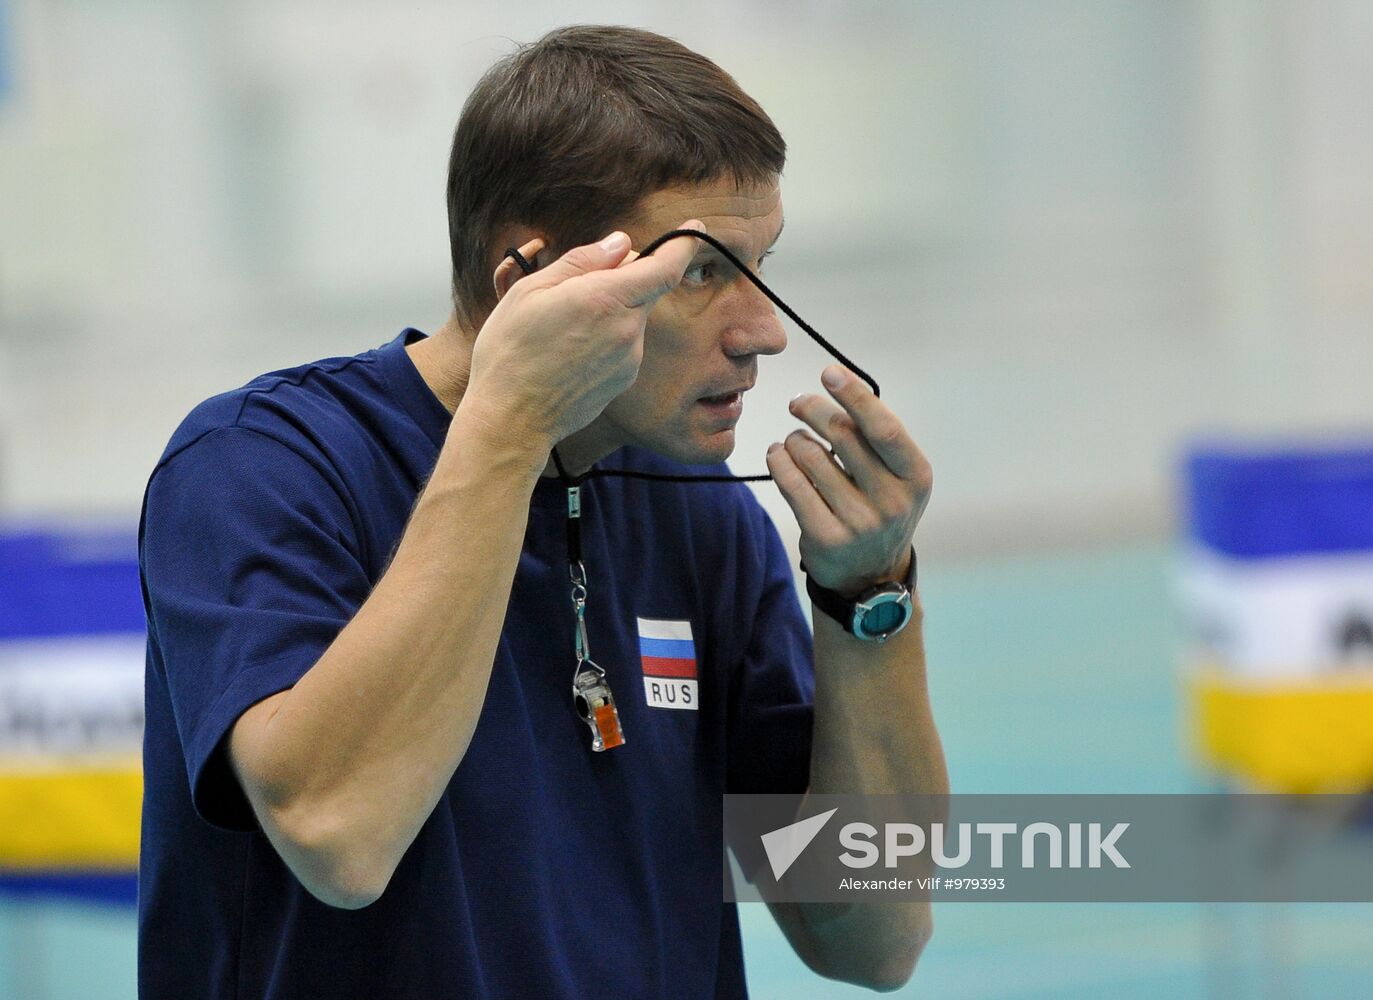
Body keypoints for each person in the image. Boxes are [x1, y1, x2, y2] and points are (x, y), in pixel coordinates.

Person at [137, 24, 945, 999]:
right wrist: (510, 428)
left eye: (761, 263)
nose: (761, 331)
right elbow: (338, 836)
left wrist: (866, 599)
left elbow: (872, 936)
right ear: (524, 280)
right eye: (702, 273)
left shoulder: (704, 520)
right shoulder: (263, 465)